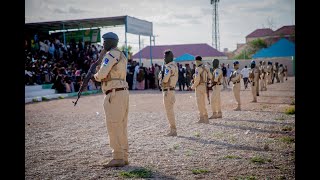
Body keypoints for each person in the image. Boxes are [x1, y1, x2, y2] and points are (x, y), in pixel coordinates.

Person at [93, 32, 129, 167]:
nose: (103, 45)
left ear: (109, 42)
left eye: (104, 42)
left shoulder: (111, 54)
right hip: (122, 92)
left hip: (114, 93)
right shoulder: (121, 54)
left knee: (114, 125)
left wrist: (95, 76)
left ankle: (118, 157)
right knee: (121, 125)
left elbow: (102, 74)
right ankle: (124, 156)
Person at [158, 50, 179, 136]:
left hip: (168, 91)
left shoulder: (168, 67)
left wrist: (161, 81)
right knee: (170, 111)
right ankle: (172, 129)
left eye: (165, 57)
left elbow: (165, 79)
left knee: (169, 111)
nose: (164, 58)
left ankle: (173, 130)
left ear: (169, 57)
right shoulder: (174, 66)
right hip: (172, 91)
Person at [191, 56, 212, 123]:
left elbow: (197, 80)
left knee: (199, 103)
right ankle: (205, 117)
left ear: (197, 61)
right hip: (204, 86)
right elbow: (211, 76)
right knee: (203, 102)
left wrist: (192, 87)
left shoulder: (197, 69)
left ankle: (202, 118)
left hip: (199, 86)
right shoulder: (206, 67)